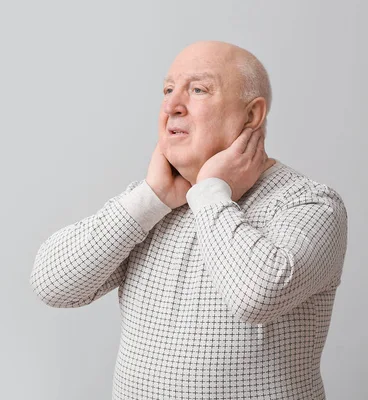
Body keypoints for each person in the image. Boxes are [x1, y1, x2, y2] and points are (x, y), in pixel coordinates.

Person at [29, 40, 348, 399]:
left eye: (197, 89)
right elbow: (52, 285)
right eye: (167, 90)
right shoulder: (153, 203)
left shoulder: (309, 202)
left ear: (252, 115)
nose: (170, 106)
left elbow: (257, 296)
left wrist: (210, 192)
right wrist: (150, 198)